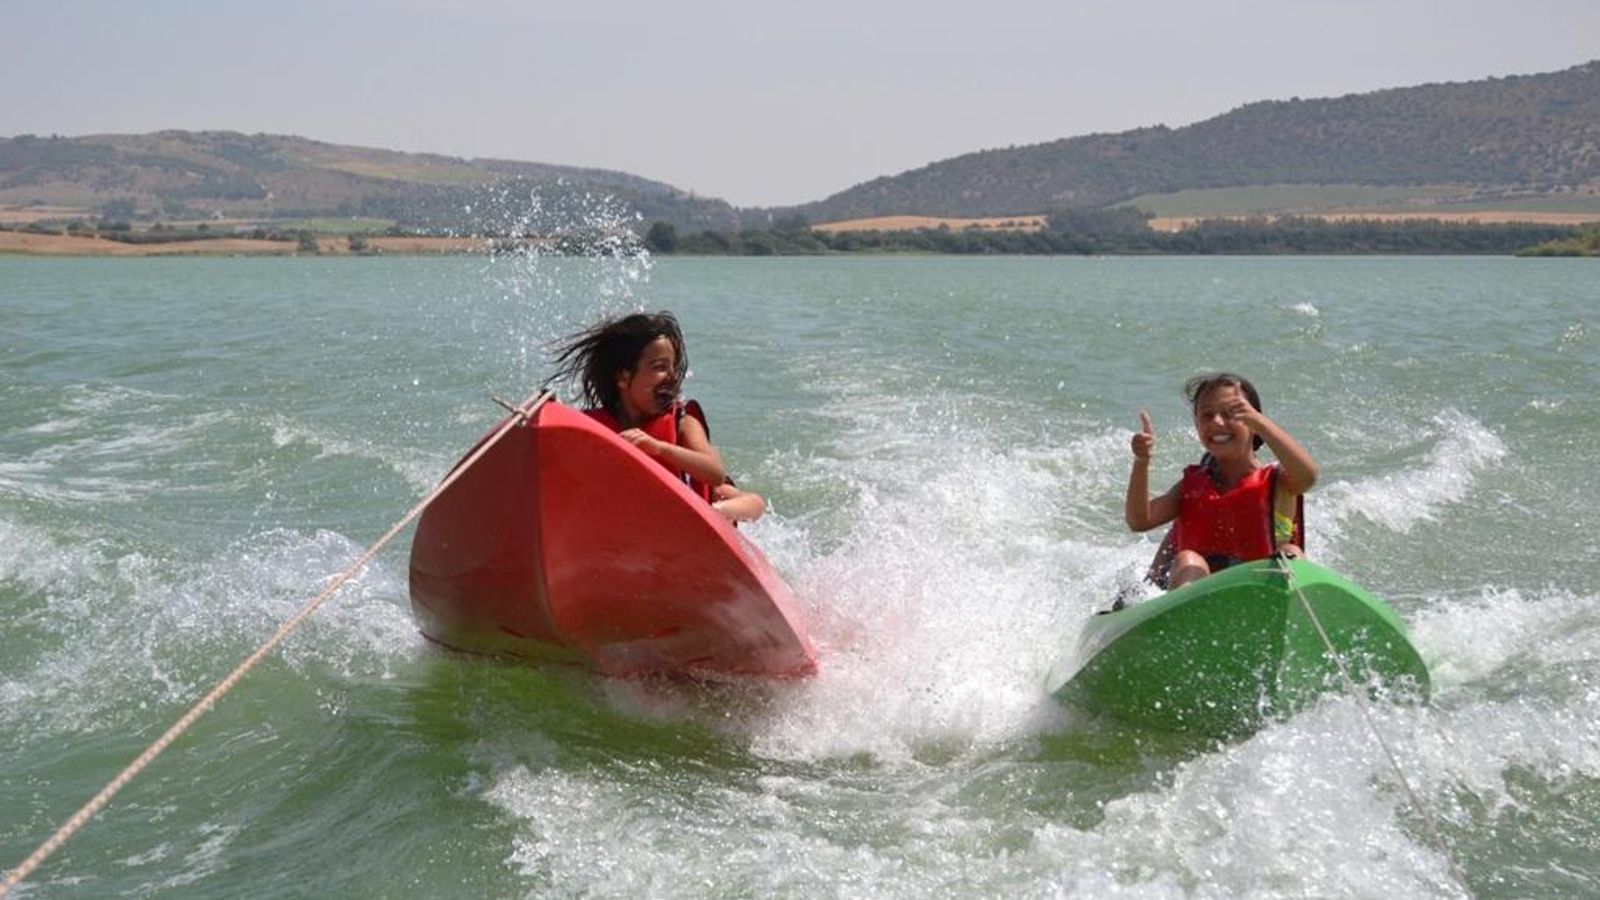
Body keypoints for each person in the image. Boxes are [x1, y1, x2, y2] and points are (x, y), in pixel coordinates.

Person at [548, 310, 766, 523]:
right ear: (623, 378)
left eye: (673, 367)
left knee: (737, 497)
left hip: (698, 511)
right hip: (633, 518)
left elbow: (715, 472)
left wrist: (660, 448)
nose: (672, 376)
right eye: (659, 367)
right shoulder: (593, 425)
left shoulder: (683, 421)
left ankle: (716, 513)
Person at [1124, 373, 1319, 590]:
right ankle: (1188, 610)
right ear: (1197, 425)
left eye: (1231, 413)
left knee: (1291, 554)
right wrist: (1141, 461)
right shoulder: (1190, 487)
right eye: (1207, 415)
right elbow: (1139, 521)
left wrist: (1262, 425)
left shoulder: (1280, 482)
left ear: (1254, 421)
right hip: (1197, 594)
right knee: (1188, 560)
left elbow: (1308, 476)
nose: (1217, 422)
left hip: (1261, 593)